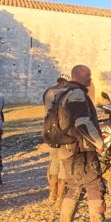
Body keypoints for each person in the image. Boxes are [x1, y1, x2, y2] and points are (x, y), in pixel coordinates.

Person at [54, 64, 107, 222]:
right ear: (78, 75)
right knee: (95, 186)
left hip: (66, 149)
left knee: (73, 187)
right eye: (88, 77)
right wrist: (99, 144)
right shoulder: (77, 94)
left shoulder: (63, 92)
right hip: (81, 151)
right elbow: (83, 123)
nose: (90, 80)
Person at [42, 76, 69, 204]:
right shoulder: (63, 95)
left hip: (50, 132)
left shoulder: (48, 92)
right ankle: (60, 198)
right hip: (62, 133)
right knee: (64, 164)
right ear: (63, 82)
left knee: (54, 162)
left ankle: (52, 194)